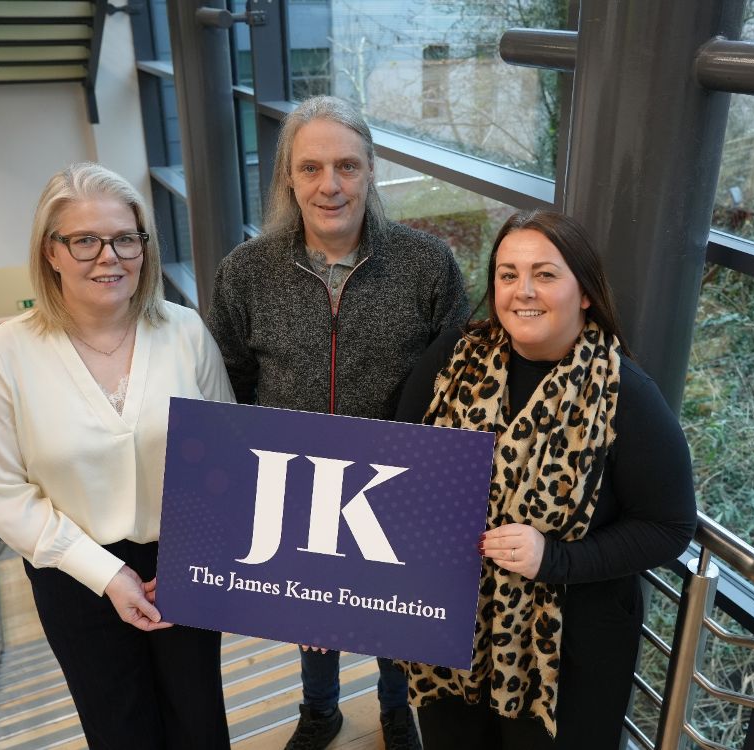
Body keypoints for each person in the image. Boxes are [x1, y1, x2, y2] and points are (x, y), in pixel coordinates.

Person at [208, 95, 469, 750]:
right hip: (293, 487)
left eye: (347, 166)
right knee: (311, 621)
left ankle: (394, 708)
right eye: (311, 168)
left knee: (391, 622)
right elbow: (231, 385)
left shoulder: (427, 265)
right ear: (288, 179)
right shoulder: (244, 273)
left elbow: (461, 384)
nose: (330, 185)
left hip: (396, 486)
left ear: (371, 171)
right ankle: (319, 712)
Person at [394, 209, 697, 749]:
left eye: (546, 274)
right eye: (508, 274)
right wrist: (330, 600)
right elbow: (391, 467)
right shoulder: (455, 357)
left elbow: (669, 526)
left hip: (566, 654)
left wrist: (555, 558)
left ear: (584, 292)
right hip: (448, 628)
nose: (523, 291)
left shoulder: (626, 395)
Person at [0, 162, 233, 749]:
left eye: (125, 238)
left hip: (182, 561)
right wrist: (106, 574)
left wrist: (195, 555)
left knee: (199, 719)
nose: (108, 256)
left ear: (144, 247)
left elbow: (226, 449)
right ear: (51, 252)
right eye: (85, 240)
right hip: (74, 573)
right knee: (120, 730)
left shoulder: (184, 330)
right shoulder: (4, 355)